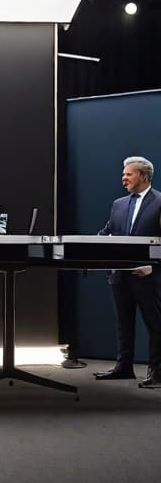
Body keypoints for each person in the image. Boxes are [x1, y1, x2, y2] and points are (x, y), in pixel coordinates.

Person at [94, 156, 161, 388]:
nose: (123, 178)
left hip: (149, 276)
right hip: (120, 276)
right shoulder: (118, 204)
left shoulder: (160, 202)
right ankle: (124, 367)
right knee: (124, 323)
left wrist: (153, 267)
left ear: (143, 176)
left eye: (128, 174)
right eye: (123, 174)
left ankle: (157, 373)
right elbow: (106, 232)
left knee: (155, 325)